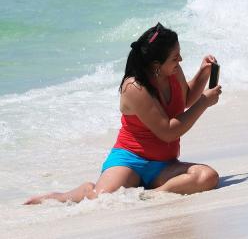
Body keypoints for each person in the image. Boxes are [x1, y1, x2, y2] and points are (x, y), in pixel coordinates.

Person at [25, 23, 221, 204]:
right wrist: (204, 102)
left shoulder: (172, 70)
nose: (180, 60)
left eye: (179, 54)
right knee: (101, 199)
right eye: (175, 57)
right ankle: (65, 195)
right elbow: (167, 132)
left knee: (208, 177)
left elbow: (185, 99)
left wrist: (203, 73)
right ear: (156, 65)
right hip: (130, 160)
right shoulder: (134, 87)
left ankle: (152, 193)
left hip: (163, 165)